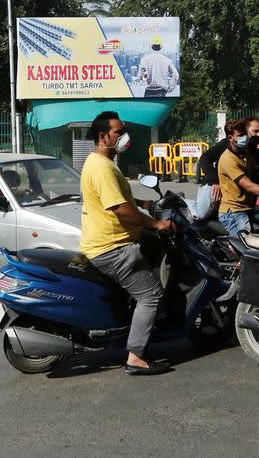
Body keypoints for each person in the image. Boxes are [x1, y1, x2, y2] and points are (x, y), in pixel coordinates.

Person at [80, 111, 175, 376]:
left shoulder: (102, 162)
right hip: (113, 247)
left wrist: (146, 205)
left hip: (108, 240)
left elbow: (121, 198)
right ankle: (135, 357)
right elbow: (120, 209)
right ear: (103, 137)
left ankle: (142, 317)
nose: (124, 136)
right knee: (151, 295)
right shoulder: (102, 168)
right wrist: (155, 223)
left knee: (153, 245)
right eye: (119, 132)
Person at [197, 116, 259, 207]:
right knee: (201, 215)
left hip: (240, 202)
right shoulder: (229, 144)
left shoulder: (257, 154)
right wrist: (214, 182)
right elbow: (205, 158)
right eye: (255, 131)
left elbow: (256, 180)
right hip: (217, 190)